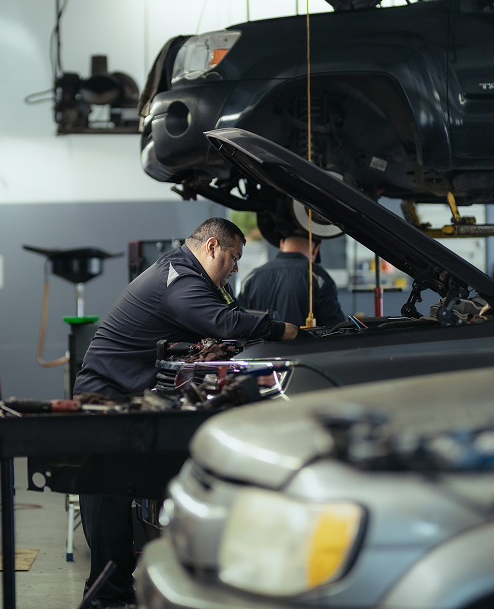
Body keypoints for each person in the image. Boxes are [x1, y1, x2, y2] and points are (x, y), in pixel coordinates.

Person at [72, 217, 298, 606]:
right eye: (232, 258)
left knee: (119, 495)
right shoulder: (178, 277)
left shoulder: (192, 276)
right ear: (212, 248)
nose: (234, 268)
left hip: (129, 395)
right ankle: (104, 598)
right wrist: (282, 330)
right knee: (108, 500)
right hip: (105, 397)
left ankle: (118, 591)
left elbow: (227, 316)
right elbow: (223, 322)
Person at [238, 231, 346, 329]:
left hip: (259, 350)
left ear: (281, 244)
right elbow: (335, 329)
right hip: (305, 350)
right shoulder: (319, 278)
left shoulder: (252, 277)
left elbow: (239, 321)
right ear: (316, 249)